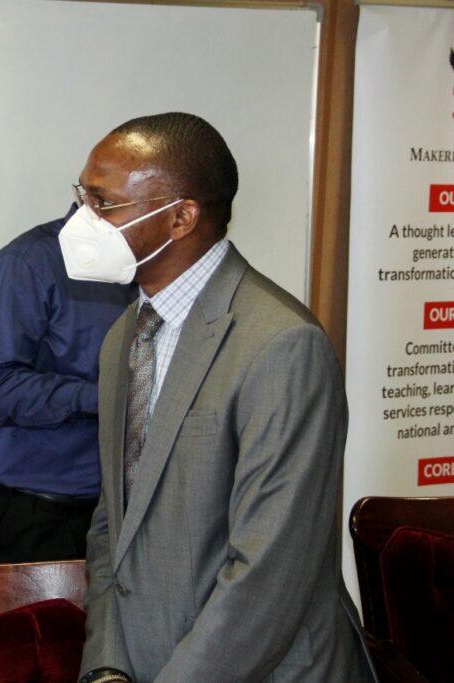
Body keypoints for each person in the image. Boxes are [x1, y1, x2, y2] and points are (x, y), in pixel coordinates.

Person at [59, 113, 376, 682]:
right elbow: (112, 525)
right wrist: (108, 665)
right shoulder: (125, 336)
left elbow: (270, 571)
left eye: (104, 205)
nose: (84, 221)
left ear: (181, 217)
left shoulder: (281, 345)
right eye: (82, 198)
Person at [0, 208, 133, 563]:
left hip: (131, 515)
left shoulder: (158, 266)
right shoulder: (28, 263)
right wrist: (109, 396)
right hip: (43, 518)